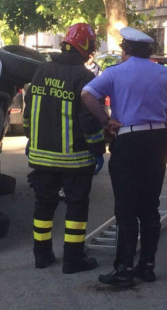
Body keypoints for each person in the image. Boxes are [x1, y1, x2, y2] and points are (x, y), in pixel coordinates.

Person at [81, 26, 167, 287]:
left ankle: (123, 269)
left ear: (125, 51)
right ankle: (147, 266)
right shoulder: (164, 73)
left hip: (129, 140)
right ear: (149, 52)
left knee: (126, 209)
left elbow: (87, 94)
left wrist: (105, 120)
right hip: (157, 140)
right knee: (149, 206)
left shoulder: (115, 73)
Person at [23, 23, 106, 274]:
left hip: (40, 156)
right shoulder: (84, 77)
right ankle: (72, 259)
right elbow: (90, 121)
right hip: (75, 159)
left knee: (43, 205)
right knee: (76, 207)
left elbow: (28, 116)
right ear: (86, 48)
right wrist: (97, 149)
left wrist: (33, 141)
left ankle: (41, 255)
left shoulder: (40, 71)